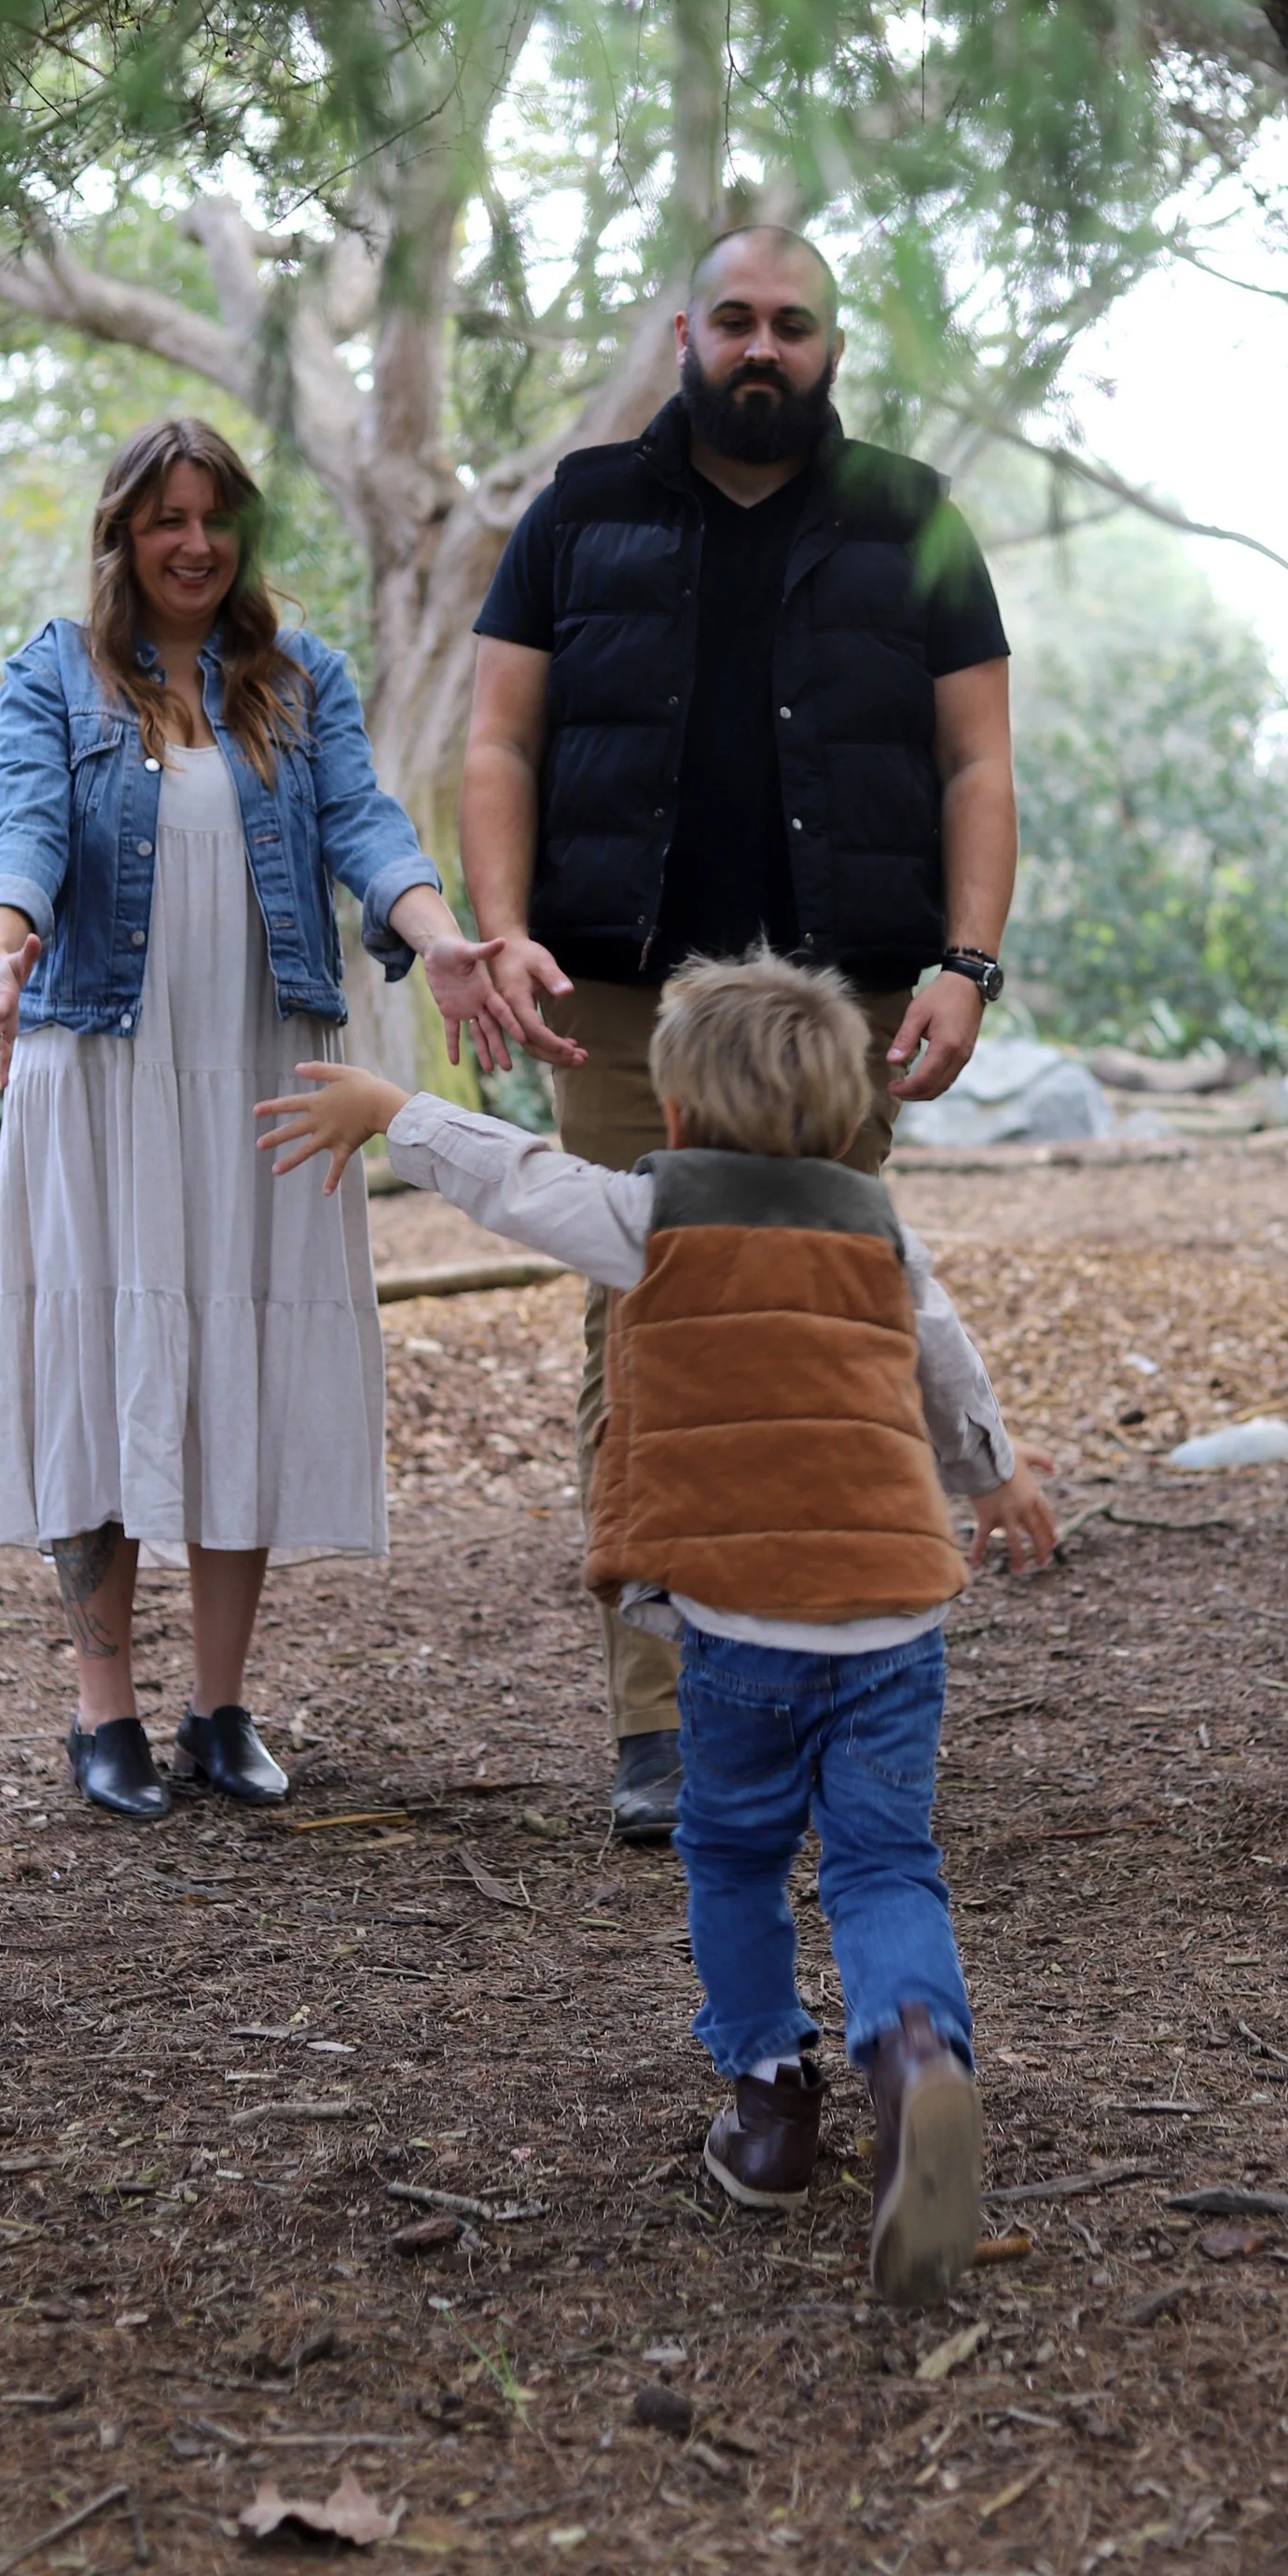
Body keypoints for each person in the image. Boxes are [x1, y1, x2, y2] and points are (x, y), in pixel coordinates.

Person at [257, 952, 1056, 2301]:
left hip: (740, 1628)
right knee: (883, 1866)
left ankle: (767, 2100)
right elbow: (945, 1362)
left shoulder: (648, 1211)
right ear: (837, 1116)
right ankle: (918, 2057)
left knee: (736, 1855)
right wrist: (997, 1474)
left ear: (675, 1117)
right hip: (890, 1617)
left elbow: (515, 1177)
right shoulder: (877, 1226)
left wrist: (396, 1111)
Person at [461, 222, 1018, 1841]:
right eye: (734, 320)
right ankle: (668, 1722)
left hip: (841, 1008)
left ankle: (842, 1680)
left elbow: (978, 764)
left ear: (831, 346)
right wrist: (504, 928)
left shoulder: (911, 518)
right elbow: (499, 738)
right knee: (646, 1314)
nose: (761, 347)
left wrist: (966, 962)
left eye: (793, 323)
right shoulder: (579, 511)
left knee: (841, 1312)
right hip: (626, 1001)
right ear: (683, 334)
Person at [0, 414, 514, 1825]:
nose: (194, 543)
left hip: (264, 1058)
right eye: (166, 519)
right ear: (122, 535)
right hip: (102, 1065)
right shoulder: (58, 672)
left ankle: (218, 1704)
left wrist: (436, 933)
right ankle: (106, 1712)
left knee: (241, 1357)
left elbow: (365, 825)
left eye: (215, 518)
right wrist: (4, 945)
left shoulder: (296, 674)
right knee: (102, 1355)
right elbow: (17, 830)